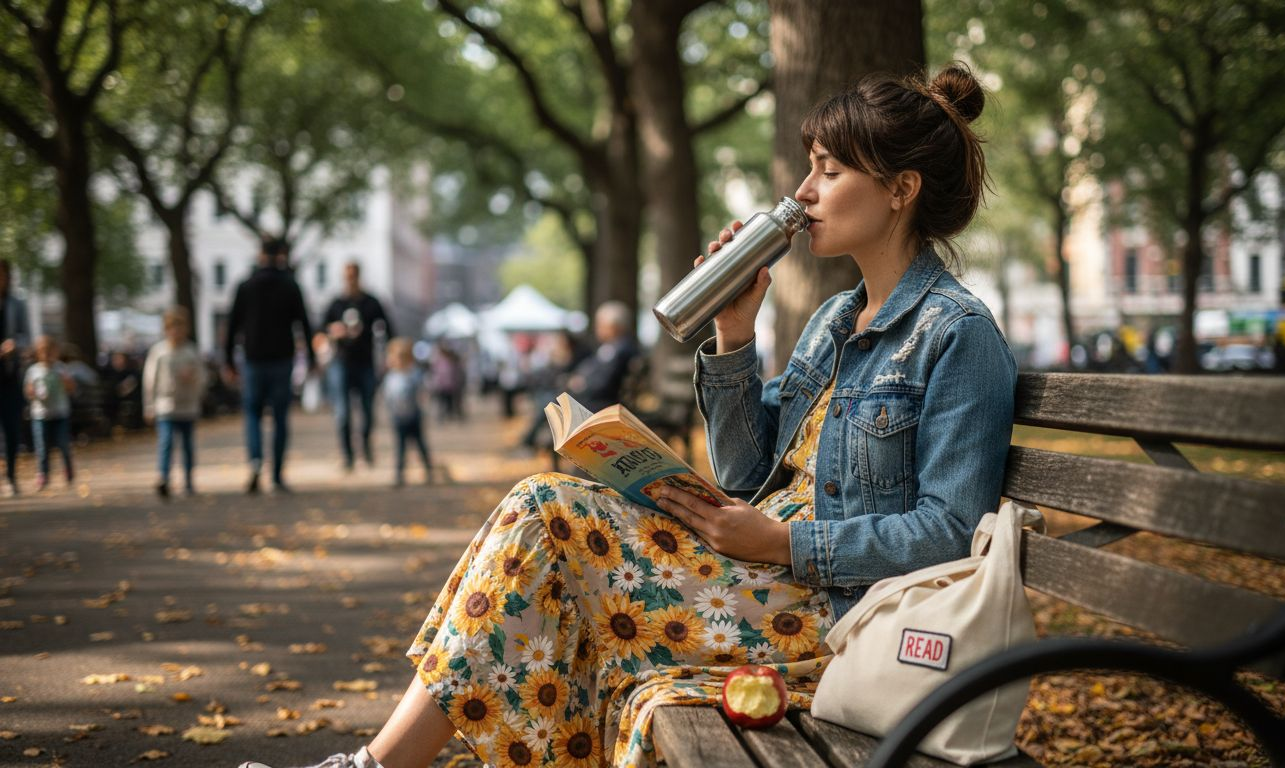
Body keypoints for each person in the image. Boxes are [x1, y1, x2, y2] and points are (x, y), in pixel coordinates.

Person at [240, 64, 1015, 768]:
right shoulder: (833, 321)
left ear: (900, 189)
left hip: (826, 613)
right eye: (809, 167)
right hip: (755, 575)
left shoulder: (957, 333)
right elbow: (745, 471)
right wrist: (734, 333)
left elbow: (952, 531)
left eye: (830, 170)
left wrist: (783, 541)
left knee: (546, 516)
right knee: (544, 526)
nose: (804, 192)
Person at [224, 237, 315, 494]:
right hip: (281, 359)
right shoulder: (290, 285)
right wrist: (311, 358)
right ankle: (276, 474)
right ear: (282, 255)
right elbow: (304, 323)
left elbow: (232, 325)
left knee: (252, 413)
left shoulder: (246, 285)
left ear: (260, 254)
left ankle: (255, 461)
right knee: (280, 416)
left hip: (253, 358)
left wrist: (229, 360)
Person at [323, 262, 394, 470]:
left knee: (368, 411)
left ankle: (366, 447)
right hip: (341, 363)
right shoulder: (336, 303)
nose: (350, 280)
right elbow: (321, 330)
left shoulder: (371, 302)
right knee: (342, 412)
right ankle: (348, 455)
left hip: (365, 363)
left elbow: (389, 329)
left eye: (353, 276)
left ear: (359, 276)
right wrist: (333, 332)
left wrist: (390, 355)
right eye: (347, 276)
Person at [143, 307, 207, 498]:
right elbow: (150, 380)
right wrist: (149, 405)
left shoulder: (191, 351)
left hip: (187, 406)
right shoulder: (159, 352)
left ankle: (188, 480)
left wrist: (193, 380)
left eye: (180, 327)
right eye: (172, 328)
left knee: (187, 445)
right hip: (165, 405)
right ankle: (164, 477)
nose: (176, 332)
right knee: (166, 442)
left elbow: (202, 378)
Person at [24, 335, 76, 491]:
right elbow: (28, 391)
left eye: (49, 351)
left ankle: (68, 470)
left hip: (60, 413)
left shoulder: (61, 368)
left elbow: (71, 388)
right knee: (42, 446)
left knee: (63, 443)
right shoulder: (33, 371)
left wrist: (65, 381)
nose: (46, 355)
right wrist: (33, 392)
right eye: (43, 351)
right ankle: (43, 474)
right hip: (40, 413)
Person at [567, 300, 639, 412]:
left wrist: (582, 383)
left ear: (614, 326)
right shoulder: (611, 347)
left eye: (600, 325)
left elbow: (603, 383)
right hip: (597, 402)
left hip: (603, 405)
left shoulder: (621, 349)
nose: (597, 329)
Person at [383, 338, 435, 487]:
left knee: (420, 444)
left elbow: (423, 391)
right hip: (398, 418)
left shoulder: (414, 374)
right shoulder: (390, 377)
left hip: (414, 416)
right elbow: (387, 397)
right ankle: (399, 474)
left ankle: (428, 470)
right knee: (400, 447)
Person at [0, 259, 30, 496]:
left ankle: (10, 475)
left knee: (11, 428)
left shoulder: (17, 304)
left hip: (9, 376)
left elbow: (26, 337)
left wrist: (14, 345)